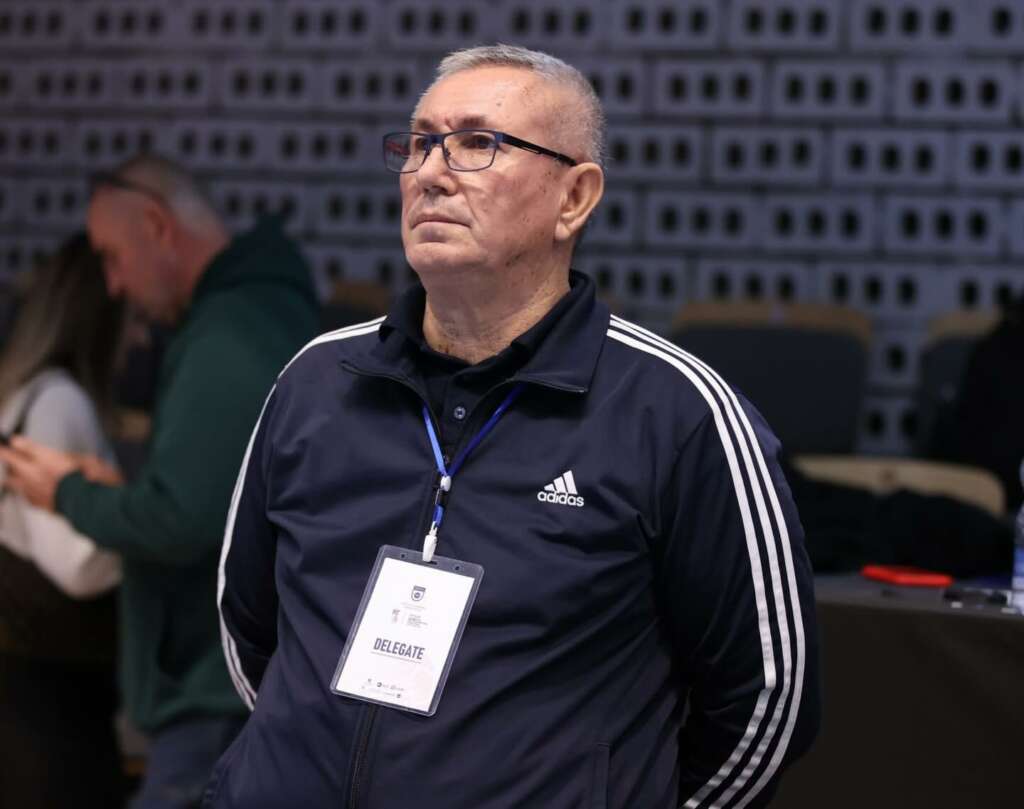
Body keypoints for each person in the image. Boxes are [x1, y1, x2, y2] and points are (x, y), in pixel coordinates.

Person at [209, 45, 820, 809]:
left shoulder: (678, 412)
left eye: (477, 143)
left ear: (574, 197)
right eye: (420, 143)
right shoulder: (317, 381)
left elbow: (766, 702)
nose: (431, 173)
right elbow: (250, 631)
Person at [0, 156, 320, 808]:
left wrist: (68, 494)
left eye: (113, 258)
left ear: (156, 226)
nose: (113, 285)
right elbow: (209, 496)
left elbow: (181, 519)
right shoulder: (248, 318)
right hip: (222, 679)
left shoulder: (226, 335)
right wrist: (115, 495)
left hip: (211, 687)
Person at [0, 232, 125, 808]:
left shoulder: (25, 390)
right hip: (49, 692)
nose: (139, 335)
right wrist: (137, 518)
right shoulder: (58, 400)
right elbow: (78, 568)